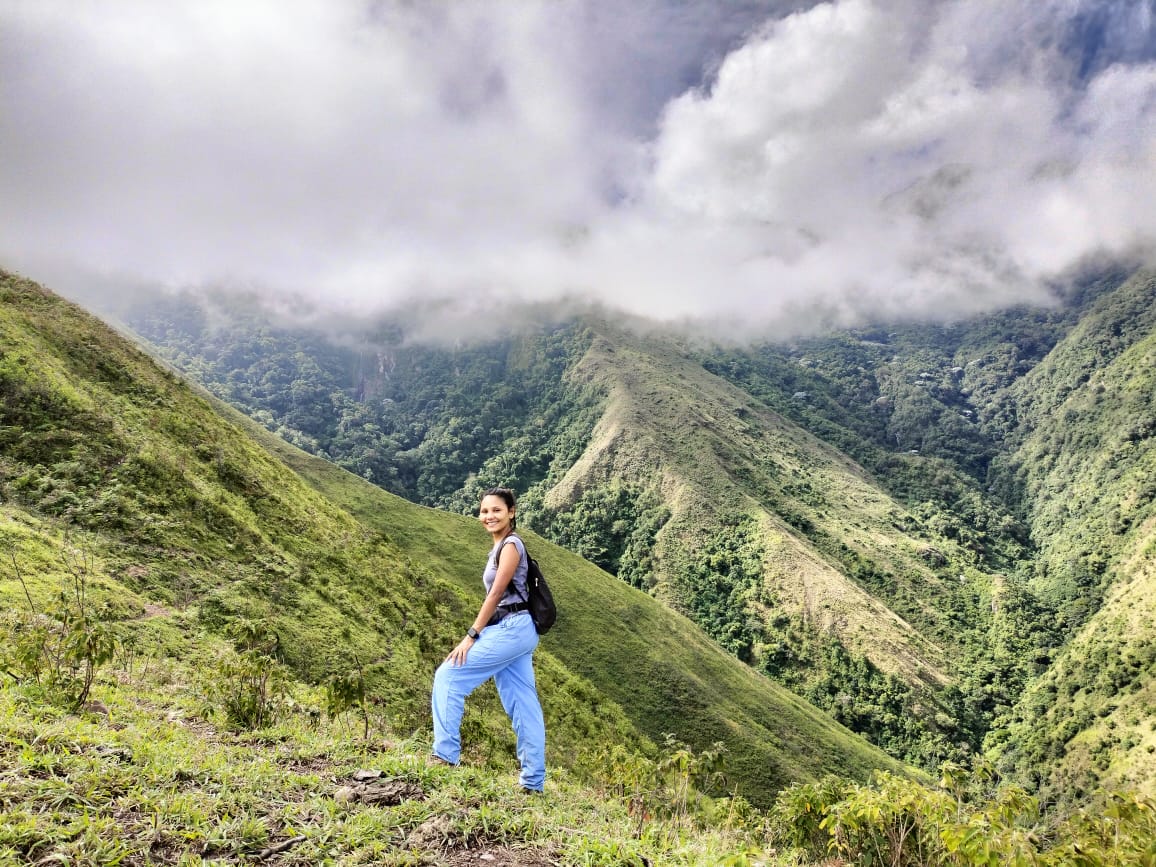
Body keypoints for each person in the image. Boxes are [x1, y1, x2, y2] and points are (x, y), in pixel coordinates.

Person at [431, 486, 546, 792]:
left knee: (448, 677)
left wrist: (471, 635)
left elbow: (496, 593)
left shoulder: (510, 545)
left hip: (511, 627)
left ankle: (445, 756)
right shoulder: (501, 546)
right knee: (523, 704)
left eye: (496, 510)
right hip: (516, 631)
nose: (489, 516)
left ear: (512, 512)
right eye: (484, 511)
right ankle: (533, 783)